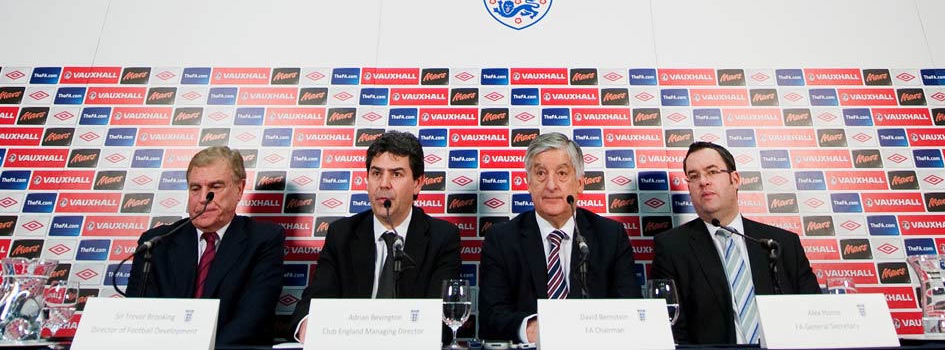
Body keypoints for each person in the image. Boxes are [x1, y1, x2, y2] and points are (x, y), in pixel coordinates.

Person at [290, 131, 462, 341]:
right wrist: (309, 323)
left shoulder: (442, 238)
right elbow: (314, 300)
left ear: (418, 183)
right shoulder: (341, 234)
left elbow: (441, 320)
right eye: (376, 173)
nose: (384, 184)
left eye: (396, 174)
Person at [651, 141, 820, 345]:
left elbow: (813, 316)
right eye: (694, 176)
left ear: (735, 179)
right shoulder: (672, 248)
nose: (703, 182)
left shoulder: (782, 244)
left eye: (712, 172)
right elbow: (673, 331)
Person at [478, 132, 641, 343]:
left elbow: (630, 312)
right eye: (540, 173)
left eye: (562, 173)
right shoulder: (502, 240)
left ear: (580, 184)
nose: (551, 185)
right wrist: (531, 328)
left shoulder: (610, 236)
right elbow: (491, 319)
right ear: (528, 183)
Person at [125, 146, 285, 346]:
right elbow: (139, 315)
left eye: (215, 187)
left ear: (239, 189)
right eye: (195, 188)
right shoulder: (157, 243)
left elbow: (253, 317)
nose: (203, 198)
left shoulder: (263, 240)